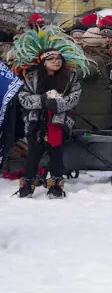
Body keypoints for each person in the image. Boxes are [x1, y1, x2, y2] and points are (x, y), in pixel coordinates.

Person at [10, 27, 90, 198]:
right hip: (36, 120)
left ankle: (55, 185)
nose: (56, 62)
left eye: (59, 58)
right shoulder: (31, 78)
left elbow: (75, 96)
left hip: (59, 121)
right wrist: (41, 101)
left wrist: (58, 104)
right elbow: (23, 97)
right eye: (51, 59)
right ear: (42, 62)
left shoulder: (70, 77)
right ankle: (28, 184)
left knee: (56, 154)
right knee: (33, 153)